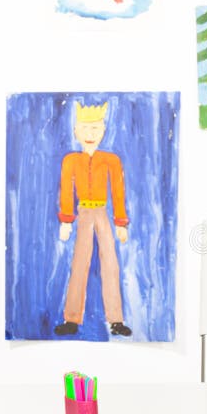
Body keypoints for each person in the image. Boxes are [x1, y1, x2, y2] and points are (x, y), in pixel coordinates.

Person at [54, 101, 133, 337]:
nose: (90, 134)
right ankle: (72, 318)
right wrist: (67, 220)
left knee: (110, 262)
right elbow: (66, 191)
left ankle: (116, 320)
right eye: (85, 129)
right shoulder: (71, 161)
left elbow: (118, 192)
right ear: (76, 131)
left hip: (102, 213)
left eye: (96, 129)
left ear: (103, 131)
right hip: (83, 214)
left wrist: (120, 222)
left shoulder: (111, 160)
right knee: (79, 263)